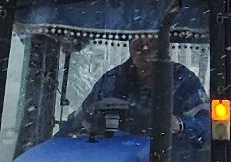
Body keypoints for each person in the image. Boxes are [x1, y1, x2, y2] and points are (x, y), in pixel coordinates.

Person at [68, 34, 208, 145]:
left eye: (152, 43)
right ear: (130, 48)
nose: (145, 50)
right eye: (139, 44)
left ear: (164, 47)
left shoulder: (183, 81)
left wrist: (179, 124)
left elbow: (209, 126)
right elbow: (79, 120)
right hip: (111, 159)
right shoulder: (111, 81)